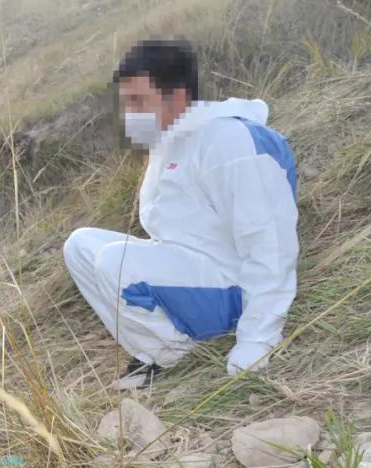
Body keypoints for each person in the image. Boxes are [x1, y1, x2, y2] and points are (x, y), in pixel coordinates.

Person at [63, 39, 298, 389]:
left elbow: (270, 243)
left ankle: (173, 353)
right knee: (80, 245)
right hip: (198, 271)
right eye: (127, 102)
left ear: (177, 96)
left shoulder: (232, 141)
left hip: (232, 286)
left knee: (116, 262)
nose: (130, 113)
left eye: (138, 101)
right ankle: (156, 349)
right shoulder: (170, 143)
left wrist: (257, 340)